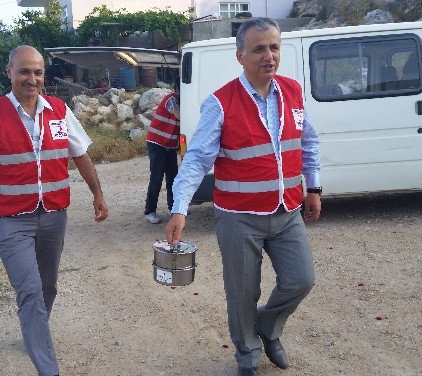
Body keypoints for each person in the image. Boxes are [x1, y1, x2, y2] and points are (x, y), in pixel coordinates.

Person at [164, 18, 322, 376]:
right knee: (242, 293)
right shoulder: (220, 103)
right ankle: (247, 353)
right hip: (239, 217)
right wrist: (179, 209)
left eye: (274, 47)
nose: (269, 56)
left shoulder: (293, 92)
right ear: (240, 56)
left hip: (286, 211)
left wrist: (313, 187)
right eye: (259, 49)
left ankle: (267, 327)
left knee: (302, 280)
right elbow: (196, 161)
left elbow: (308, 141)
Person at [0, 45, 108, 376]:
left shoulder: (60, 111)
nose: (31, 79)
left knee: (48, 285)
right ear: (9, 73)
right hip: (11, 222)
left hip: (54, 216)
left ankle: (33, 331)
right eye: (24, 71)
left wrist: (97, 194)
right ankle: (48, 368)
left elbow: (80, 155)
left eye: (37, 72)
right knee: (31, 290)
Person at [144, 81, 180, 224]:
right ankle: (150, 211)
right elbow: (180, 115)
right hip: (157, 144)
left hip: (169, 146)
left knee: (173, 179)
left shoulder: (181, 101)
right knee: (157, 178)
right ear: (176, 88)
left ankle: (173, 208)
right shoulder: (171, 100)